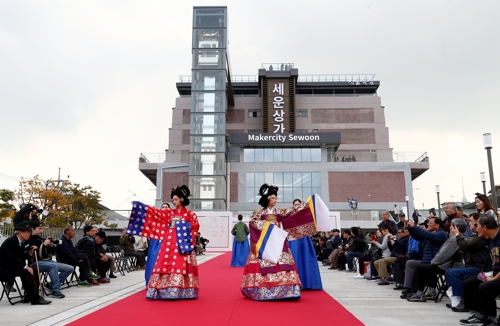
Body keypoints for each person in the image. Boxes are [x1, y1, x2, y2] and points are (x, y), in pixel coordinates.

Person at [240, 184, 320, 300]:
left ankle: (286, 290)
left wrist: (308, 203)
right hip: (265, 243)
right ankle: (262, 290)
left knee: (284, 264)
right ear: (267, 199)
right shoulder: (259, 213)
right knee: (264, 263)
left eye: (276, 198)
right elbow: (252, 223)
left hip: (278, 242)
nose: (275, 200)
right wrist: (268, 227)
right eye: (273, 198)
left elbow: (294, 211)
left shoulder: (280, 212)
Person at [126, 185, 200, 300]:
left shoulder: (190, 214)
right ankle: (163, 289)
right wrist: (139, 206)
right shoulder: (169, 213)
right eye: (173, 200)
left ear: (181, 199)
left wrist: (181, 226)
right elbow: (154, 212)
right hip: (169, 243)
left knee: (181, 264)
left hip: (182, 244)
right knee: (165, 262)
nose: (174, 202)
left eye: (175, 199)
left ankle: (184, 290)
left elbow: (195, 226)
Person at [461, 214, 500, 326]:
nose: (476, 228)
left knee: (485, 286)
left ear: (485, 226)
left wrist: (493, 278)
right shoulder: (491, 240)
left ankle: (492, 319)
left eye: (477, 225)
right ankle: (479, 315)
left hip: (498, 276)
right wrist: (485, 274)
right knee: (469, 282)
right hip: (494, 274)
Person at [0, 221, 51, 305]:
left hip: (15, 267)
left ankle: (29, 295)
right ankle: (35, 298)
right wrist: (25, 266)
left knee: (34, 270)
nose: (29, 234)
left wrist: (30, 252)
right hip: (6, 269)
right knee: (27, 271)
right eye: (27, 232)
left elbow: (22, 255)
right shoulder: (10, 242)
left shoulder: (21, 242)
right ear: (20, 233)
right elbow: (11, 258)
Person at [25, 220, 73, 298]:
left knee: (69, 268)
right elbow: (31, 254)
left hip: (48, 261)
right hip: (36, 262)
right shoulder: (29, 239)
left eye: (42, 228)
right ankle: (56, 290)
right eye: (39, 228)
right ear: (32, 229)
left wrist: (52, 246)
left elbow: (51, 253)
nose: (41, 230)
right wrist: (43, 245)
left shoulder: (42, 239)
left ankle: (50, 284)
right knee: (53, 266)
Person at [144, 202, 170, 286]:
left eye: (166, 207)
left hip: (167, 242)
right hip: (156, 241)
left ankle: (165, 282)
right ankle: (152, 281)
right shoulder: (156, 218)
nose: (164, 208)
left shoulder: (171, 218)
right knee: (154, 260)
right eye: (163, 207)